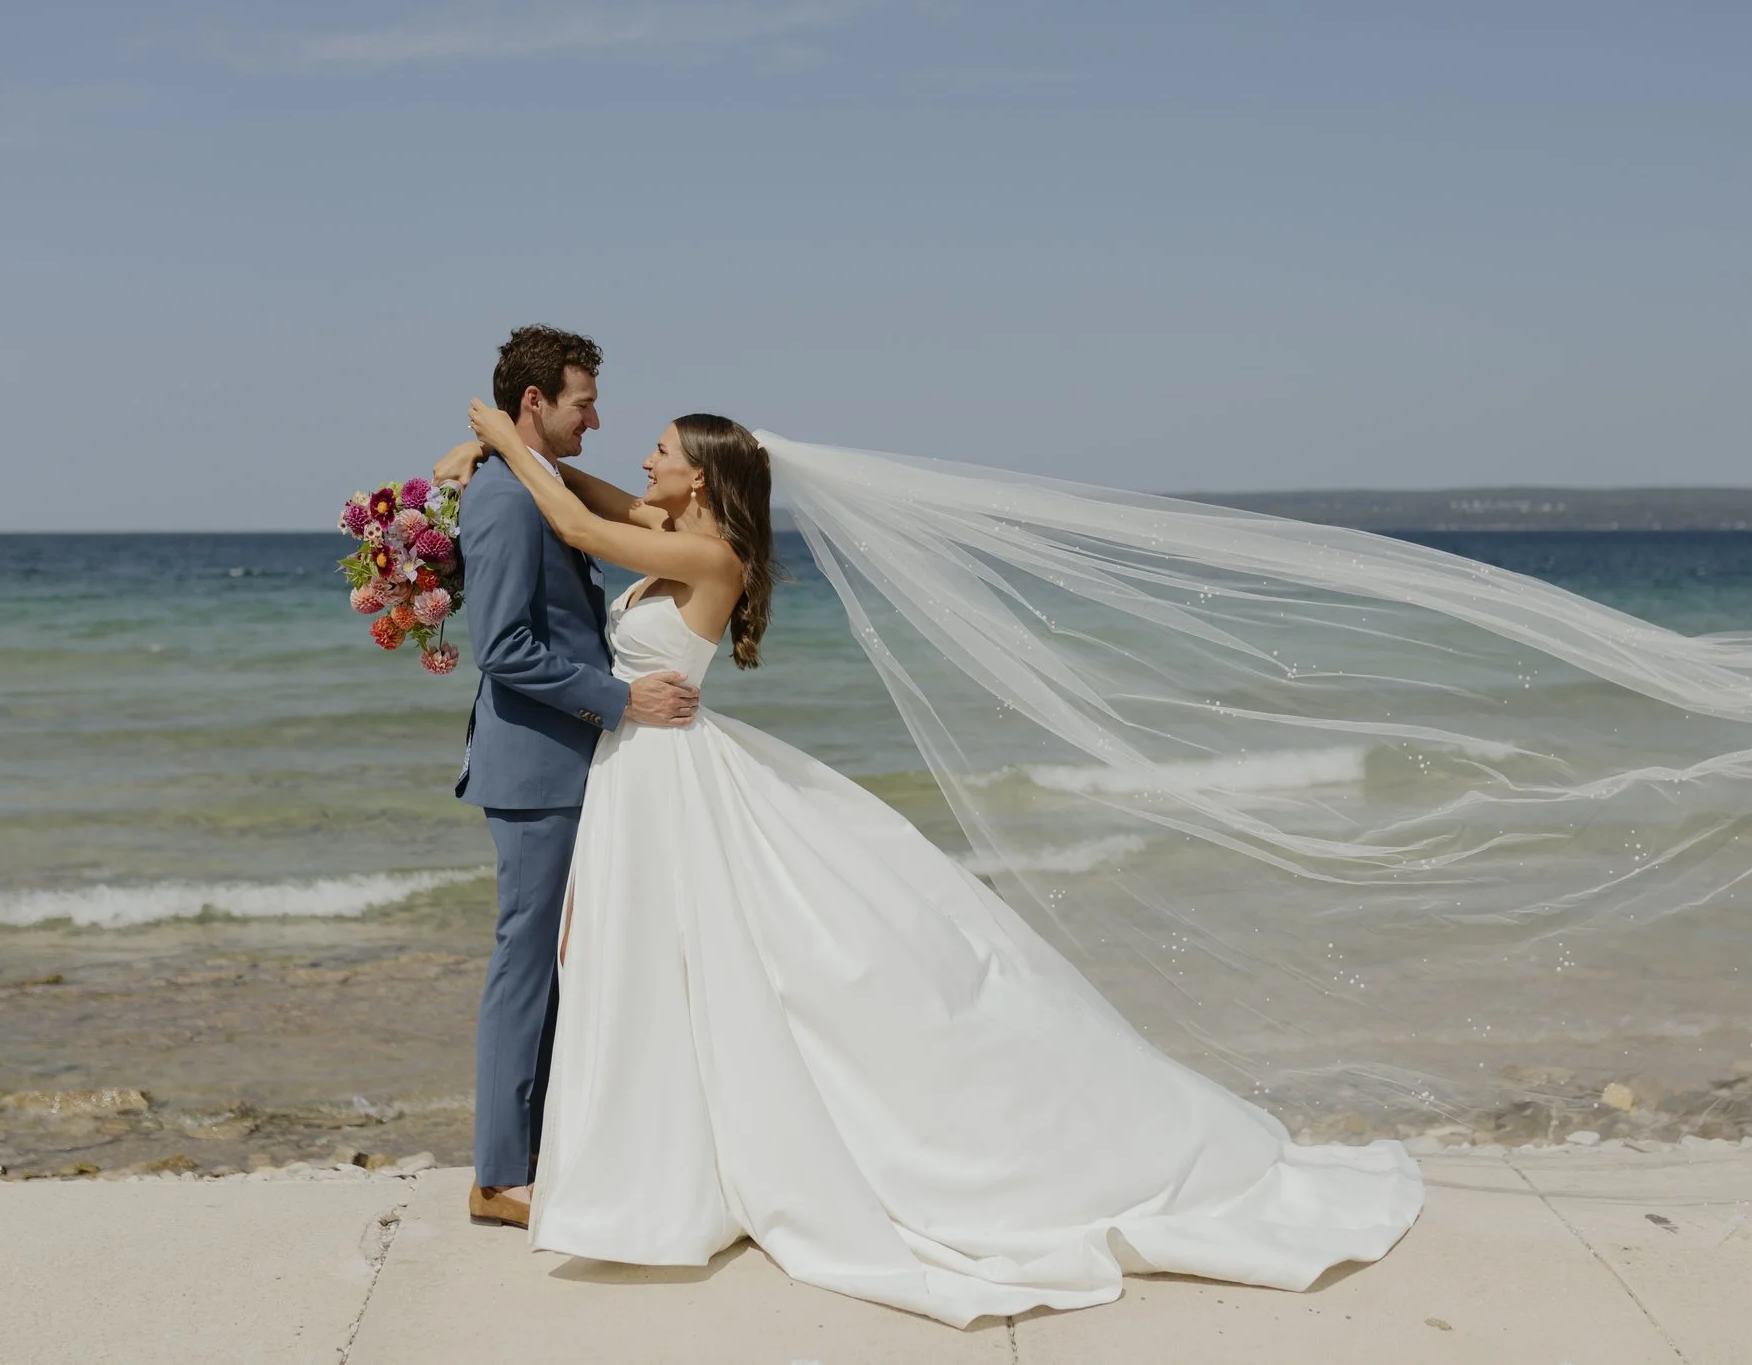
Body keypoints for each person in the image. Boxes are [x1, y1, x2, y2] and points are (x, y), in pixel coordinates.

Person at [449, 396, 1423, 1328]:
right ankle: (666, 1159)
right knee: (654, 969)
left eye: (663, 448)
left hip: (672, 777)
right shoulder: (677, 528)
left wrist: (500, 433)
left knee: (748, 964)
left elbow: (576, 527)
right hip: (642, 778)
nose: (645, 460)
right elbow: (582, 496)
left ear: (700, 480)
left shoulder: (711, 553)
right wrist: (492, 457)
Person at [441, 326, 699, 1230]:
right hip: (535, 769)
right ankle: (498, 1175)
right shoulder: (509, 502)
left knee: (557, 962)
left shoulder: (528, 484)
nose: (597, 416)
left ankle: (541, 1147)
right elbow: (505, 648)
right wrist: (621, 698)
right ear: (535, 404)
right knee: (524, 962)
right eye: (584, 402)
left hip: (563, 761)